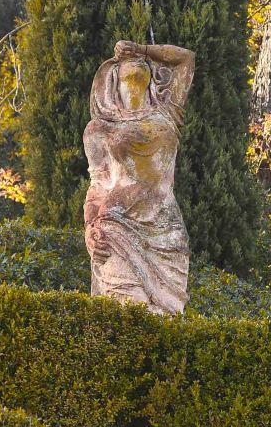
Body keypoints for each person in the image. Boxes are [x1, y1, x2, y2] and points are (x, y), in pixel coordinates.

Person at [83, 40, 195, 315]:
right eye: (128, 78)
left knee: (168, 320)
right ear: (113, 85)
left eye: (141, 78)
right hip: (117, 225)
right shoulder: (99, 128)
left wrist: (143, 50)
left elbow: (185, 60)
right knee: (125, 315)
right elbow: (97, 184)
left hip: (166, 228)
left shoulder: (167, 115)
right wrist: (89, 228)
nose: (135, 86)